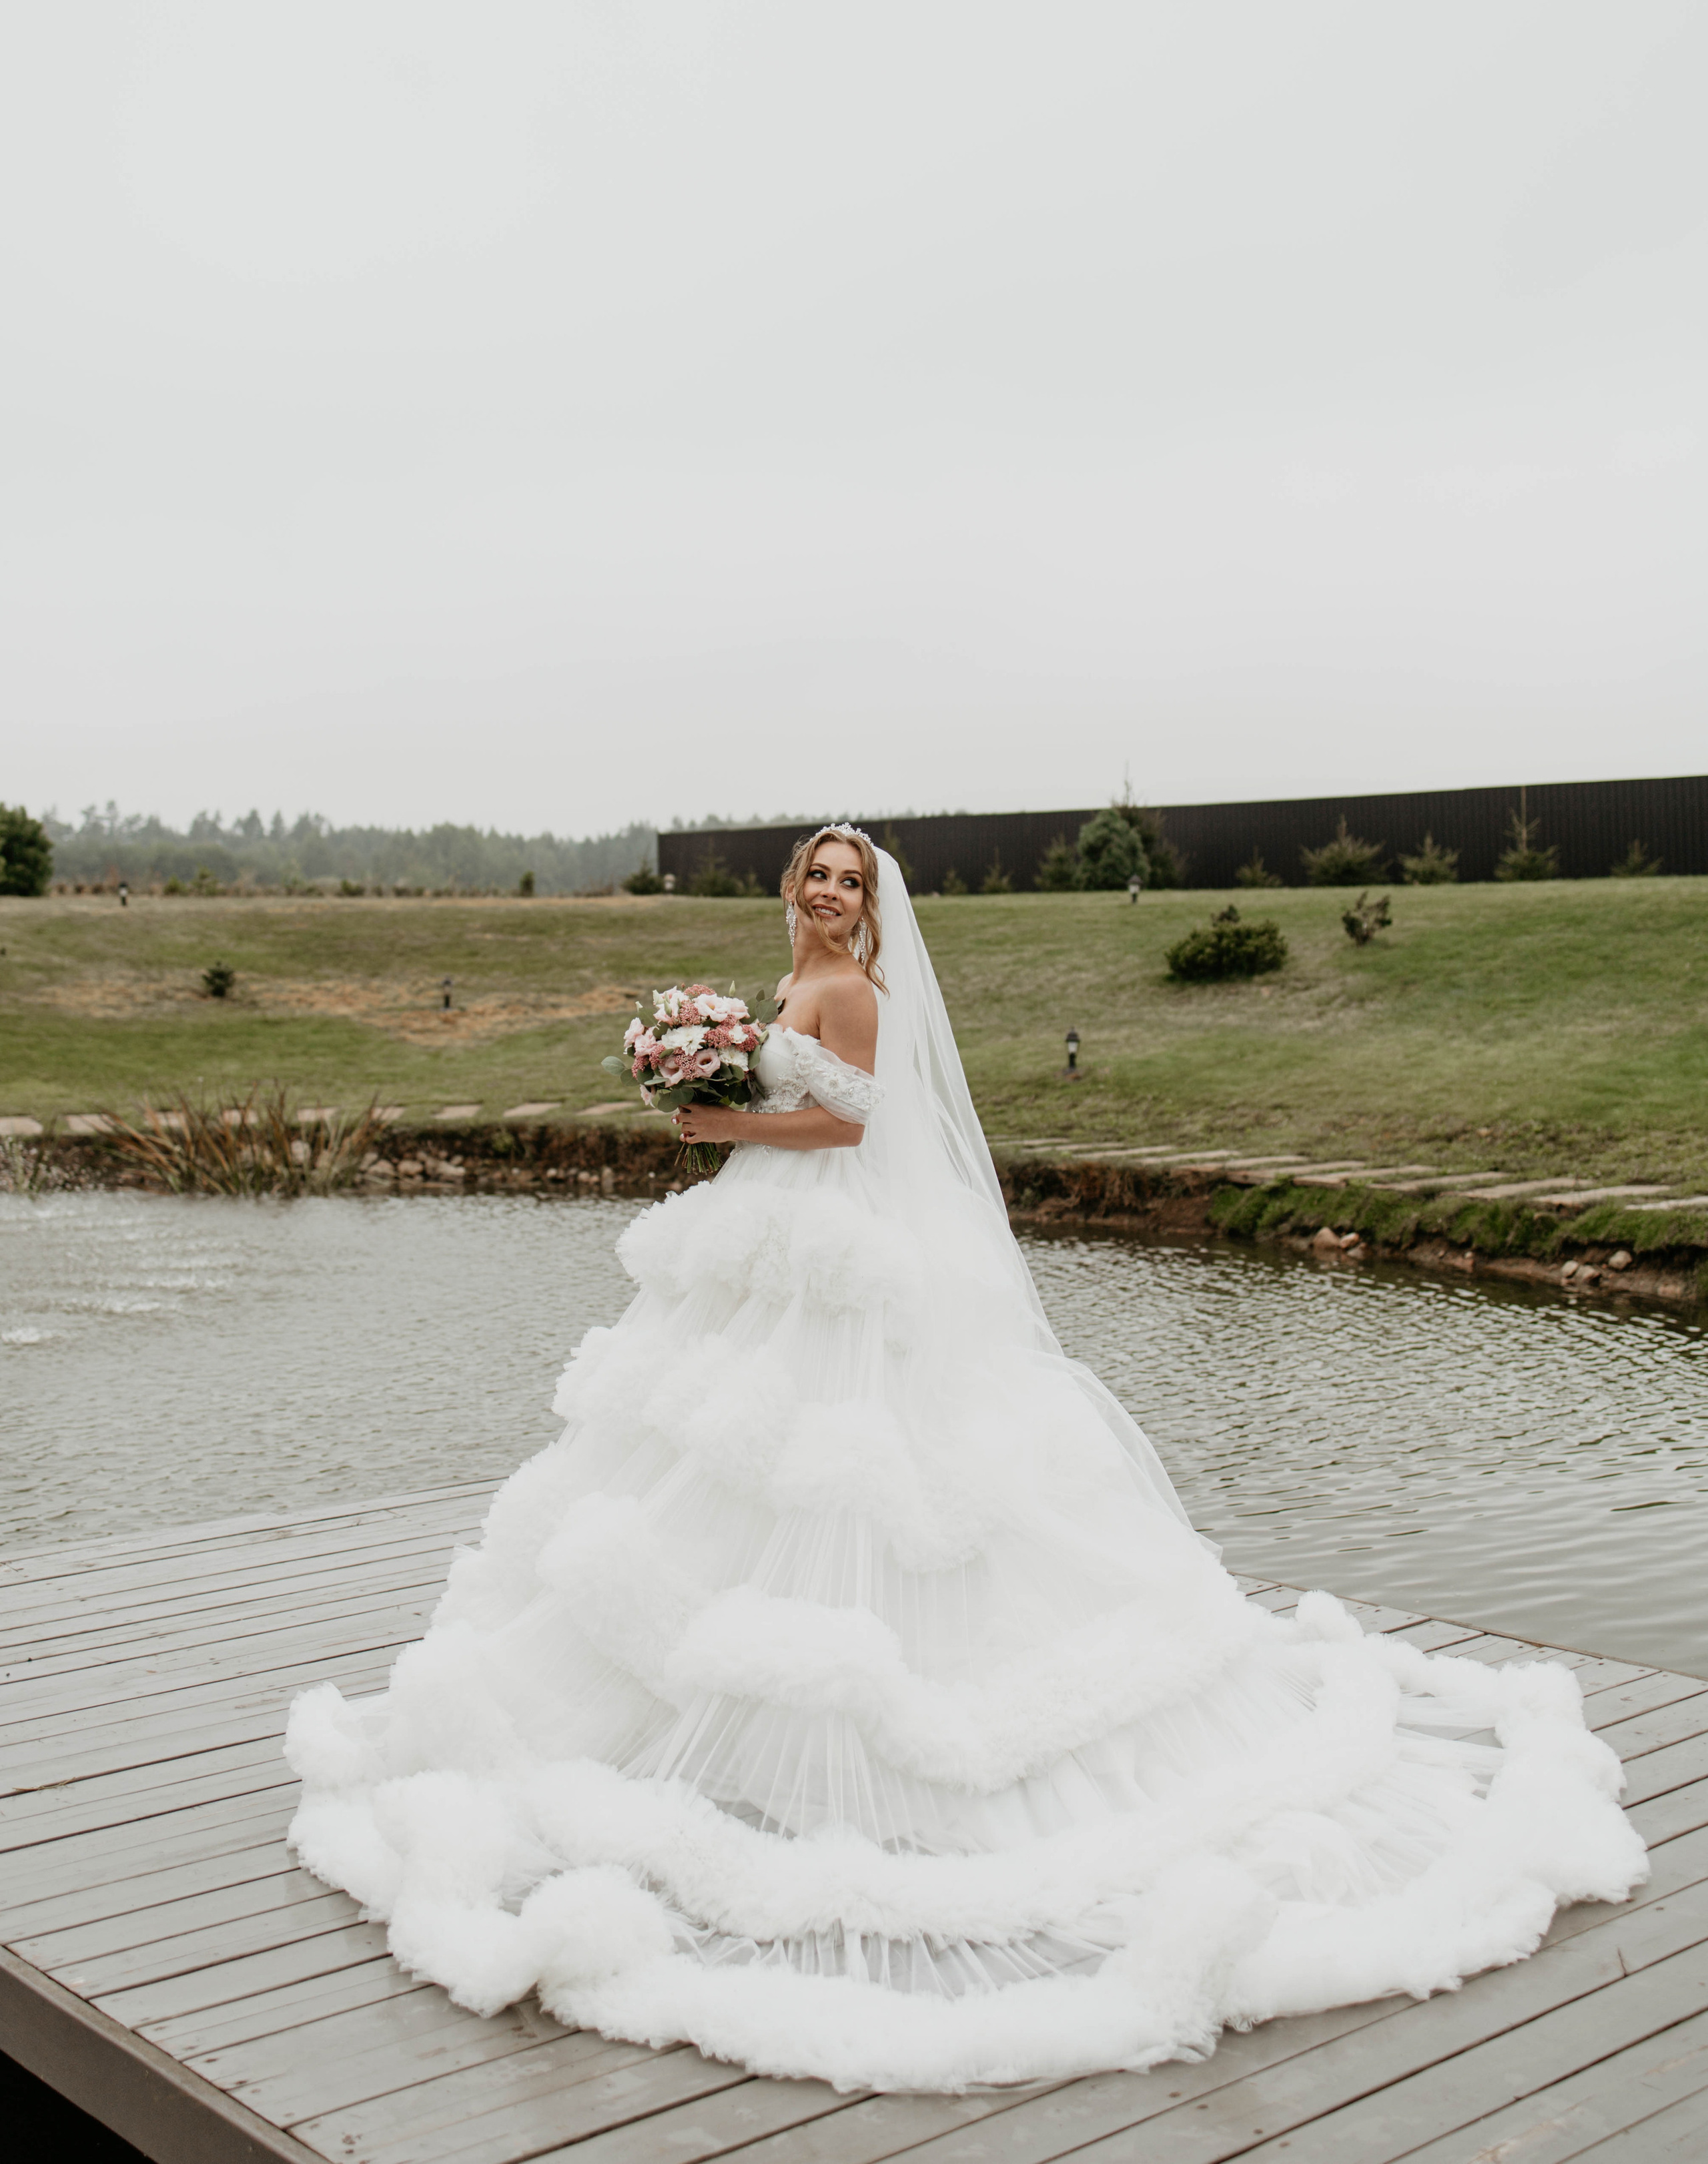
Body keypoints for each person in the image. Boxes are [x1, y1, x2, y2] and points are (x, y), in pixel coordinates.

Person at [286, 827, 1645, 2094]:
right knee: (716, 1461)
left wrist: (724, 1126)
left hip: (823, 1235)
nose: (828, 895)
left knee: (840, 1472)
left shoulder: (855, 995)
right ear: (790, 888)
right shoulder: (796, 974)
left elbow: (849, 1126)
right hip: (768, 1236)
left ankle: (856, 1730)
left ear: (869, 906)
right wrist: (707, 1074)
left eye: (847, 883)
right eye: (814, 875)